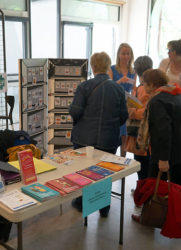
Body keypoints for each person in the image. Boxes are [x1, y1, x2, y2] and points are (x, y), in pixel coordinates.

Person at [131, 69, 181, 222]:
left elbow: (163, 131)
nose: (143, 86)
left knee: (152, 185)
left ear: (152, 84)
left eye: (145, 84)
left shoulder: (157, 101)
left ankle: (149, 217)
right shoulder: (177, 94)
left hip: (165, 153)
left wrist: (163, 159)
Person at [70, 52, 128, 217]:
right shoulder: (118, 88)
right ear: (108, 66)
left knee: (83, 171)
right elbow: (124, 115)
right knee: (104, 172)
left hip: (84, 139)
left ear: (92, 67)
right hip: (109, 139)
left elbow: (75, 111)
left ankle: (81, 203)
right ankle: (103, 207)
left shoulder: (84, 86)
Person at [127, 56, 153, 181]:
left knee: (142, 165)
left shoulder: (144, 88)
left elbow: (147, 111)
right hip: (147, 133)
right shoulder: (146, 86)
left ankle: (144, 190)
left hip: (142, 132)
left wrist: (132, 112)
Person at [108, 43, 137, 157]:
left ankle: (123, 165)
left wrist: (133, 98)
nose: (126, 56)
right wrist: (120, 81)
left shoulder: (133, 71)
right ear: (119, 54)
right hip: (114, 104)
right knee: (114, 135)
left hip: (126, 105)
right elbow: (109, 86)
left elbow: (134, 89)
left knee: (124, 136)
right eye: (123, 53)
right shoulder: (112, 69)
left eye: (128, 54)